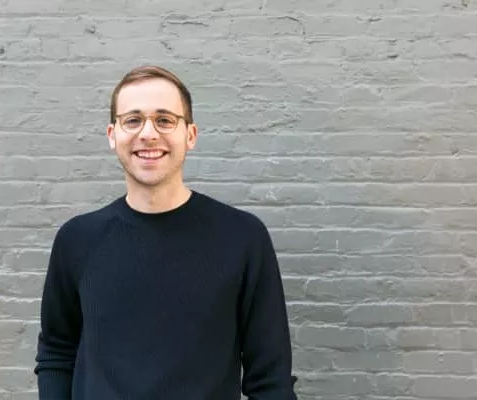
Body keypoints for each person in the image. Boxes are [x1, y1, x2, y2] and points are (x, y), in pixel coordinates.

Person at [34, 65, 298, 399]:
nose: (148, 133)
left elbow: (271, 380)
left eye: (164, 120)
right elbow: (57, 352)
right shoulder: (77, 240)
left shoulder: (243, 238)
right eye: (133, 120)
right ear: (112, 135)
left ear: (191, 135)